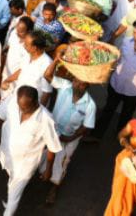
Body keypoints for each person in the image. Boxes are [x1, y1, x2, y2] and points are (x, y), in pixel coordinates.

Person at [0, 86, 62, 216]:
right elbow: (0, 117)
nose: (21, 110)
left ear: (35, 102)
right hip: (7, 155)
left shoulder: (46, 120)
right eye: (20, 106)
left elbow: (52, 147)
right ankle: (12, 191)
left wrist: (48, 169)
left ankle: (9, 210)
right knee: (12, 181)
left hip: (25, 164)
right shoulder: (12, 102)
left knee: (14, 195)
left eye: (25, 108)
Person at [40, 54, 96, 204]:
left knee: (62, 162)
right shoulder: (65, 85)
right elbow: (47, 75)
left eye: (81, 83)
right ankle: (44, 172)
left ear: (88, 86)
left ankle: (54, 189)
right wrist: (57, 60)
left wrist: (69, 138)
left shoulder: (90, 105)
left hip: (69, 139)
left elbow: (86, 127)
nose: (77, 84)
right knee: (43, 153)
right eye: (76, 81)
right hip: (53, 131)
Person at [92, 20, 136, 140]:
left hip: (134, 90)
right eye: (135, 33)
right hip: (117, 83)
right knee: (108, 109)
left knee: (126, 115)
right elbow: (117, 58)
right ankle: (96, 135)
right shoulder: (125, 42)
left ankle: (120, 136)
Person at [0, 31, 53, 105]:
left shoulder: (47, 64)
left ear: (34, 48)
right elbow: (21, 71)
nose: (24, 46)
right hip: (16, 96)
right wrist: (7, 80)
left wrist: (36, 112)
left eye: (26, 45)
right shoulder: (28, 55)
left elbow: (47, 92)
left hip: (30, 106)